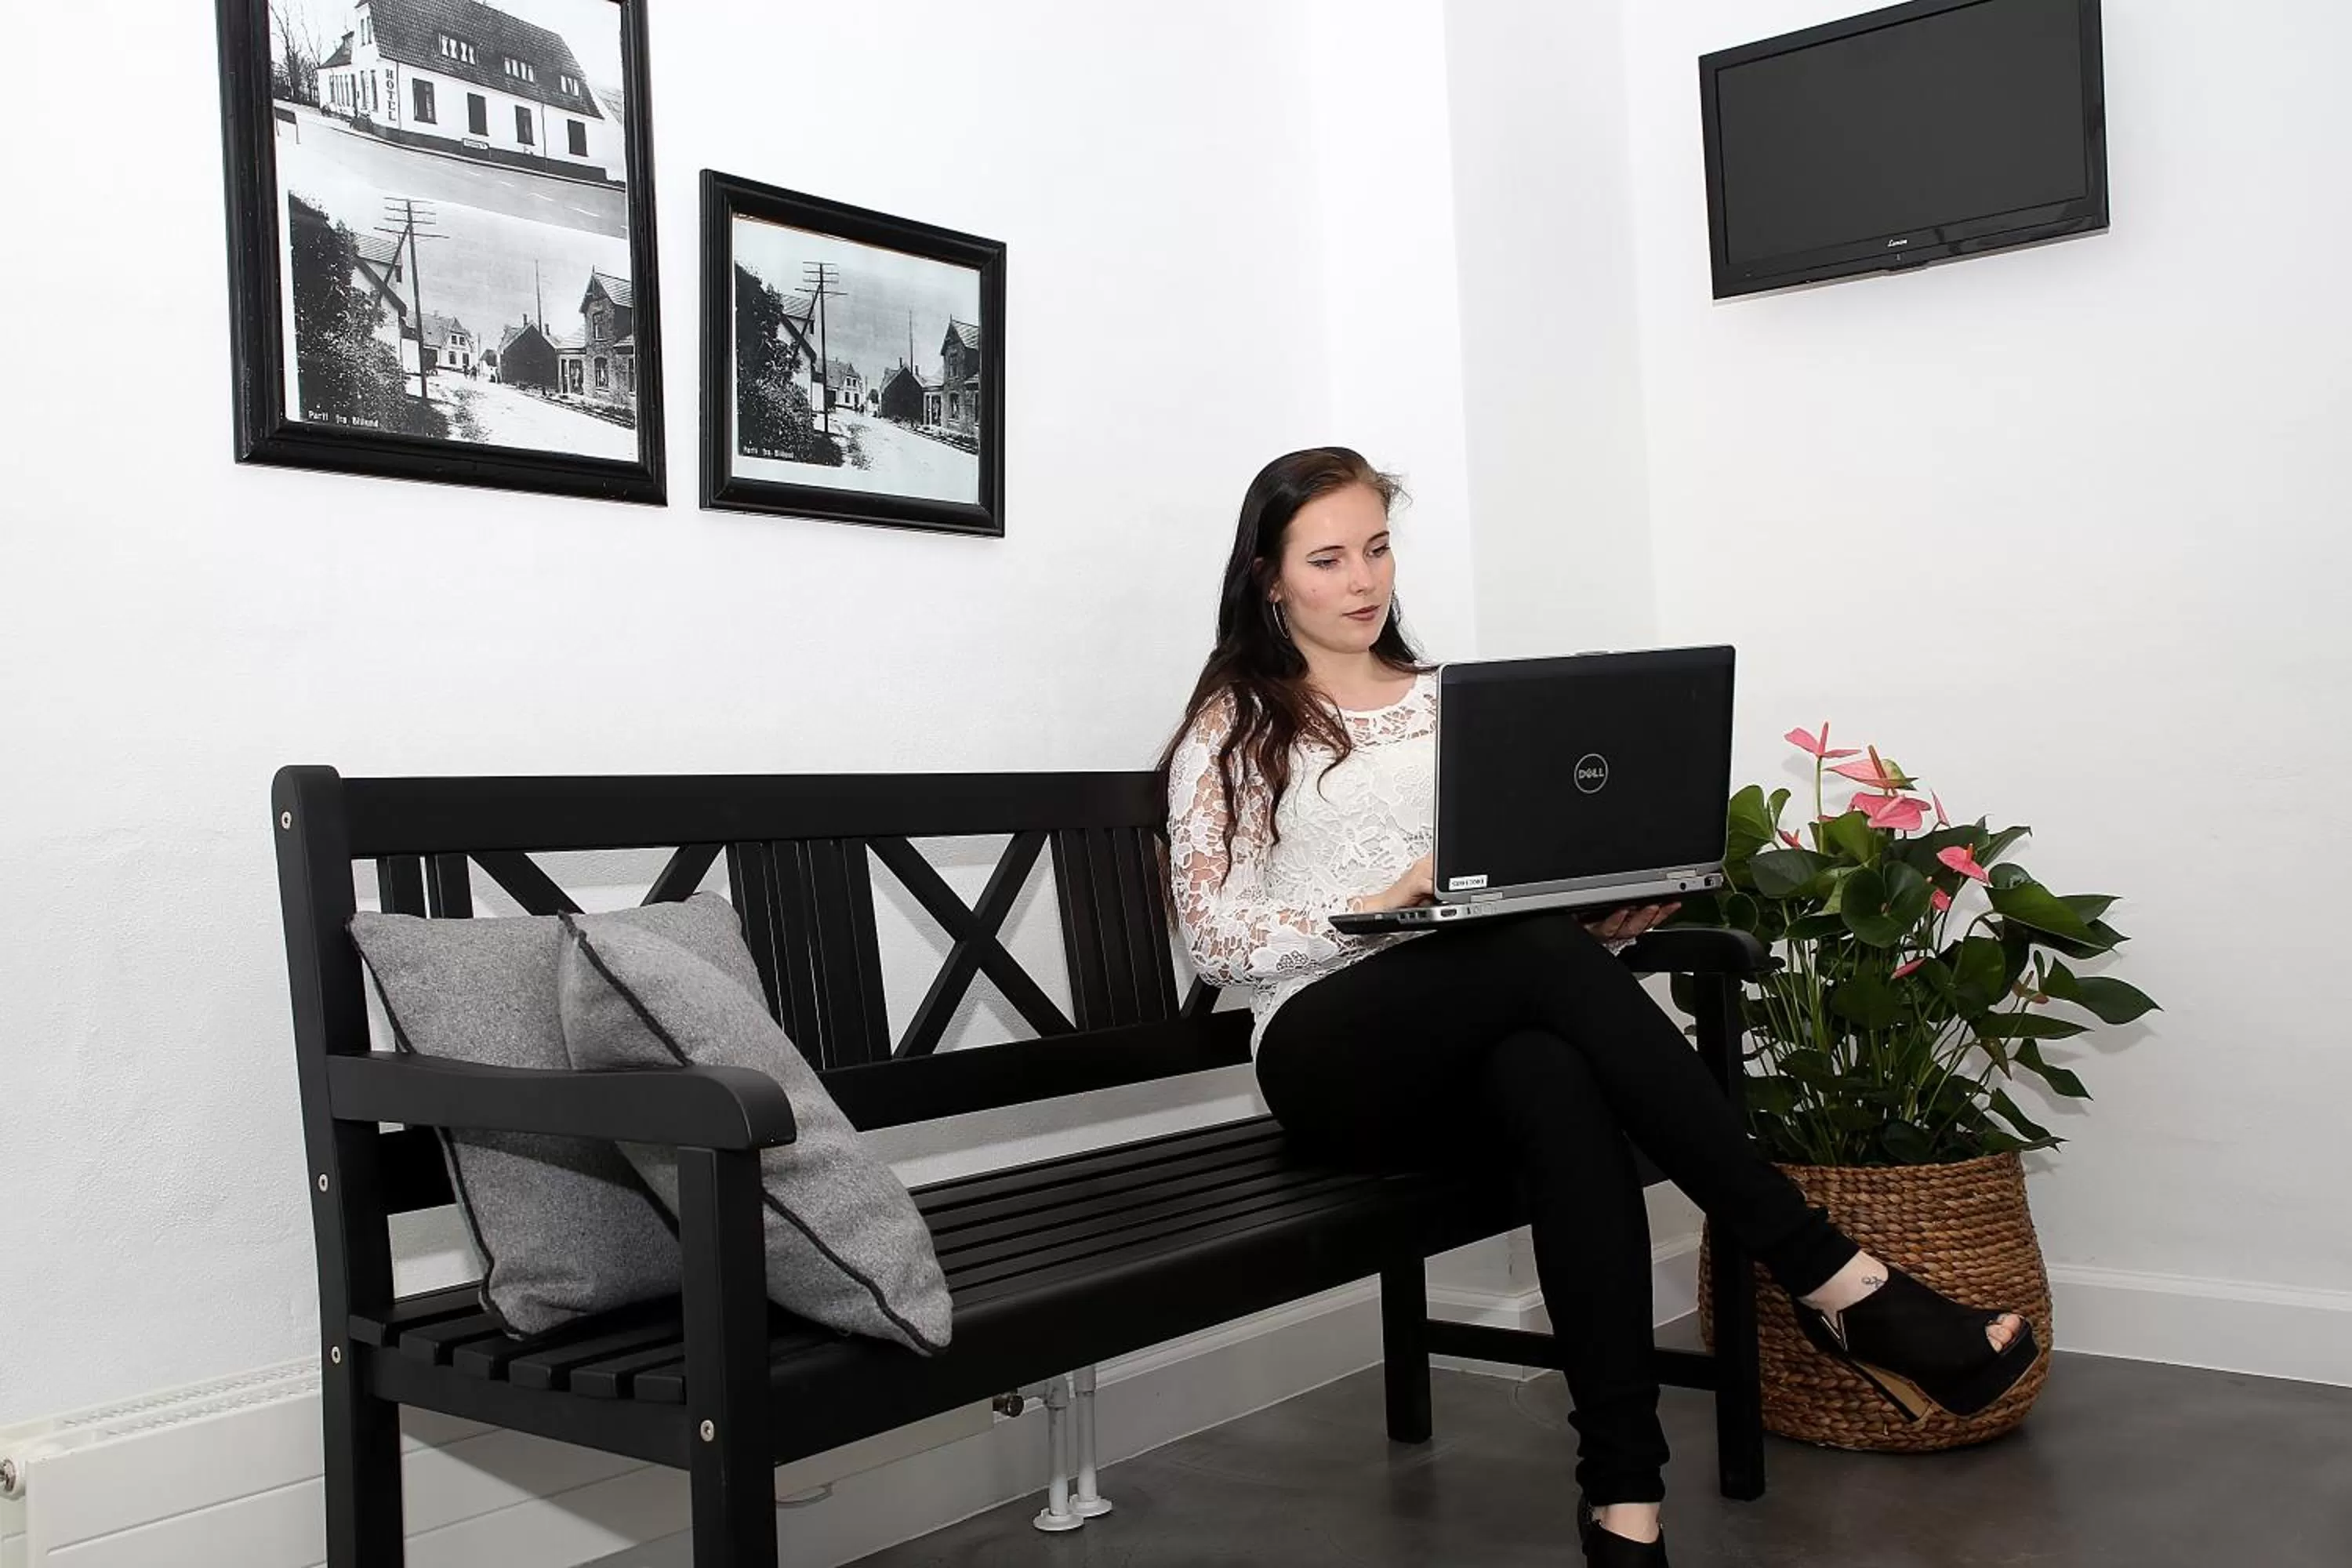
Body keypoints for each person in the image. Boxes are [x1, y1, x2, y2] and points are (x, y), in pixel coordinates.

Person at [1158, 447, 2039, 1566]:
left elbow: (1511, 892)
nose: (1362, 579)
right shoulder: (1239, 724)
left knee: (1555, 1080)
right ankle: (1834, 1278)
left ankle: (1626, 1504)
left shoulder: (1453, 706)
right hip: (1332, 1050)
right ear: (1268, 577)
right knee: (1527, 966)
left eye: (1377, 548)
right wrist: (1370, 907)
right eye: (1327, 558)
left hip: (1487, 1023)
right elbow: (1214, 937)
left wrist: (1602, 901)